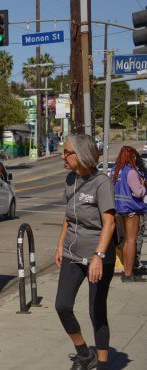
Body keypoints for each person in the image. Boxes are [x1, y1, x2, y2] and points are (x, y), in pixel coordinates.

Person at [55, 134, 116, 370]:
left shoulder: (102, 183)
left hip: (97, 256)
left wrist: (98, 257)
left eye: (67, 152)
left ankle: (102, 364)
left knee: (96, 310)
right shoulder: (70, 179)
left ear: (81, 155)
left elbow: (109, 223)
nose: (63, 156)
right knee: (62, 305)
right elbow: (68, 218)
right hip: (72, 252)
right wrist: (61, 245)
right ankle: (83, 353)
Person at [111, 146, 146, 282]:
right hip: (131, 209)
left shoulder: (115, 171)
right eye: (134, 156)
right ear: (132, 157)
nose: (136, 158)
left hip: (119, 209)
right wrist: (143, 186)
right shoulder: (131, 172)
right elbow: (138, 192)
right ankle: (128, 274)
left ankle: (126, 269)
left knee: (126, 240)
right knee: (132, 241)